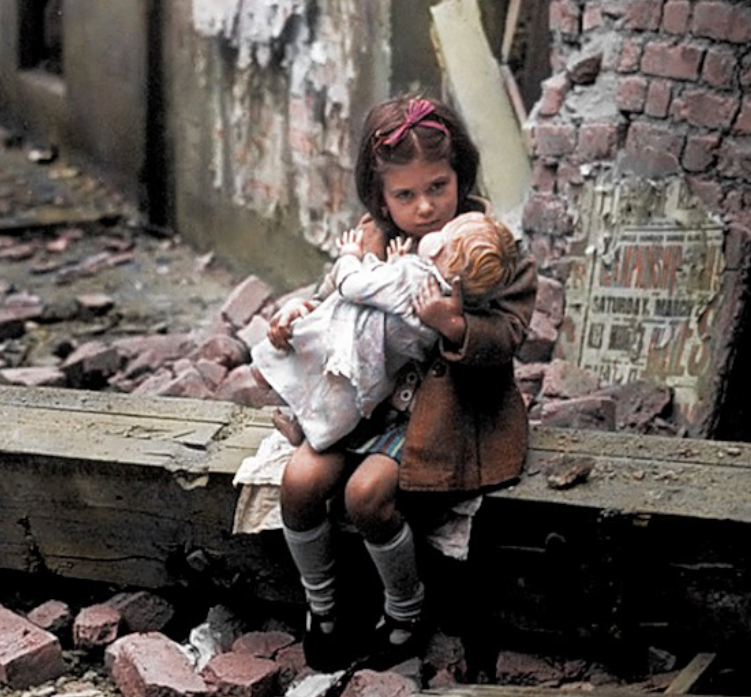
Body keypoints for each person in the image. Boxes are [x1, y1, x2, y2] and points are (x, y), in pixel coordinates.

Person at [265, 95, 538, 672]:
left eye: (438, 186)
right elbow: (339, 299)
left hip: (440, 411)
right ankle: (325, 606)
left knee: (367, 495)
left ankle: (405, 610)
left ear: (461, 173)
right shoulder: (371, 241)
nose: (425, 208)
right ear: (380, 196)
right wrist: (298, 315)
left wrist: (456, 327)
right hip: (362, 400)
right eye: (405, 195)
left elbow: (510, 332)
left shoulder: (490, 248)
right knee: (300, 481)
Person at [251, 211, 518, 453]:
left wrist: (349, 255)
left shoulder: (411, 277)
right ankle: (303, 430)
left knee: (274, 368)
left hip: (343, 346)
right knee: (334, 409)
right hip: (377, 375)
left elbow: (351, 286)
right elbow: (399, 308)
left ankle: (279, 397)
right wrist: (396, 265)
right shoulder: (448, 303)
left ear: (437, 249)